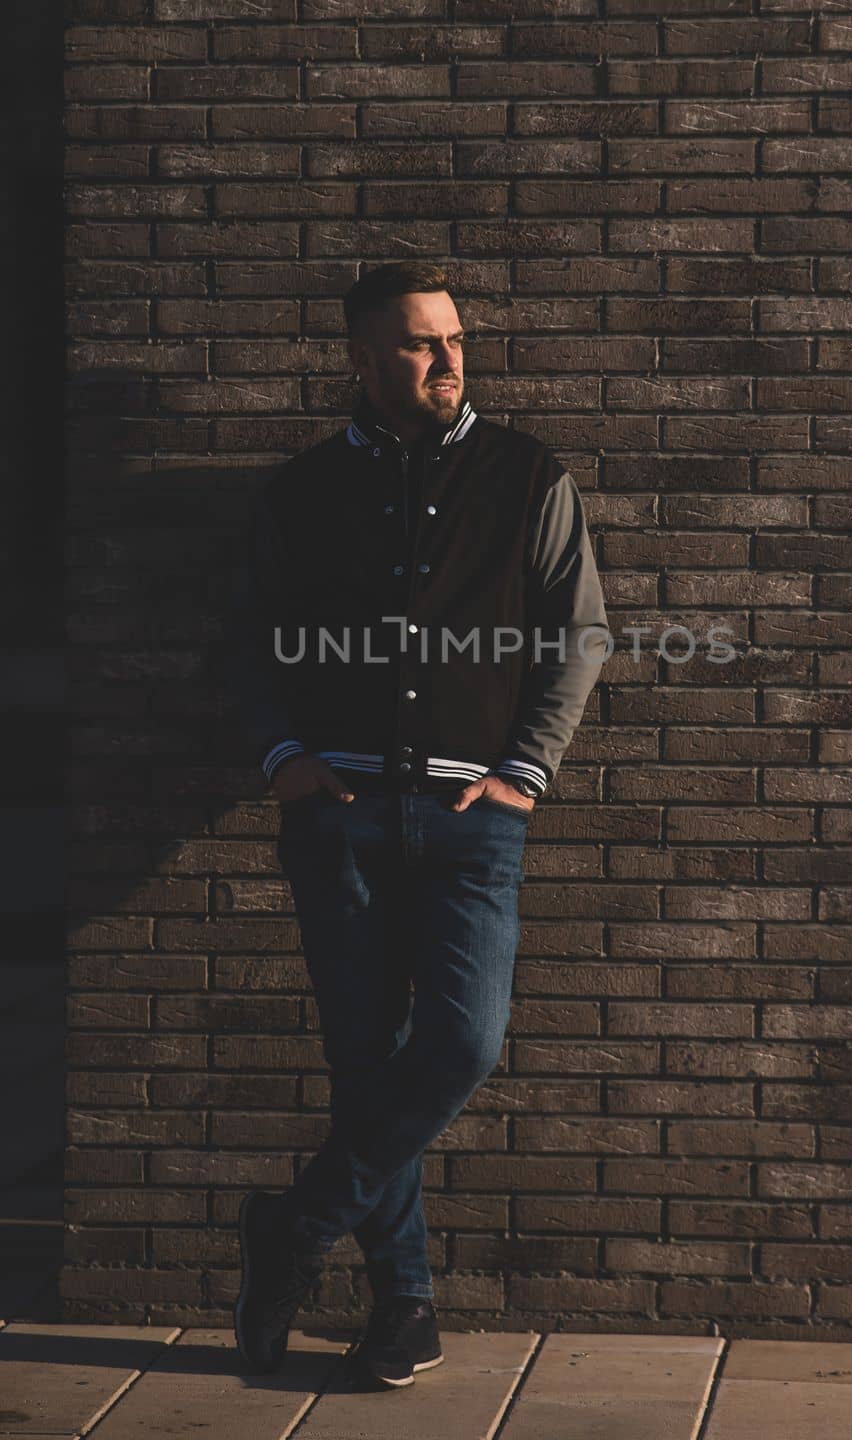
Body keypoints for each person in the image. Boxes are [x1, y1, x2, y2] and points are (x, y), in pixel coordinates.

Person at [223, 261, 610, 1389]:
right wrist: (284, 760)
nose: (444, 359)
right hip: (335, 813)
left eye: (451, 338)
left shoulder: (528, 474)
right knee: (364, 1065)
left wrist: (525, 773)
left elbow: (577, 636)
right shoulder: (299, 492)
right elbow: (249, 644)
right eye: (415, 343)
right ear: (359, 356)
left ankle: (292, 1230)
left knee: (461, 1045)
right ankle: (405, 1306)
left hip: (472, 817)